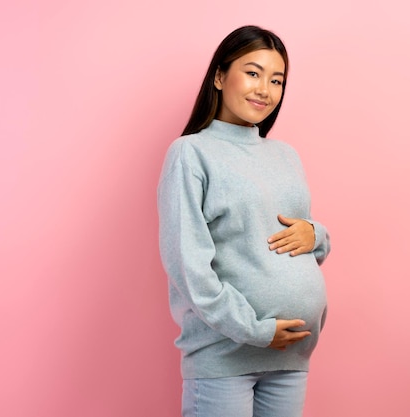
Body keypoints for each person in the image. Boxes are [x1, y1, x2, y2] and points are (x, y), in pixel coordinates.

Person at [157, 25, 331, 417]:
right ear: (220, 76)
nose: (264, 90)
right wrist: (255, 330)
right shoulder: (191, 153)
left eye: (276, 80)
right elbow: (187, 265)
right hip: (225, 357)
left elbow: (297, 239)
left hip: (289, 356)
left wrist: (316, 234)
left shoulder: (285, 156)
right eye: (252, 73)